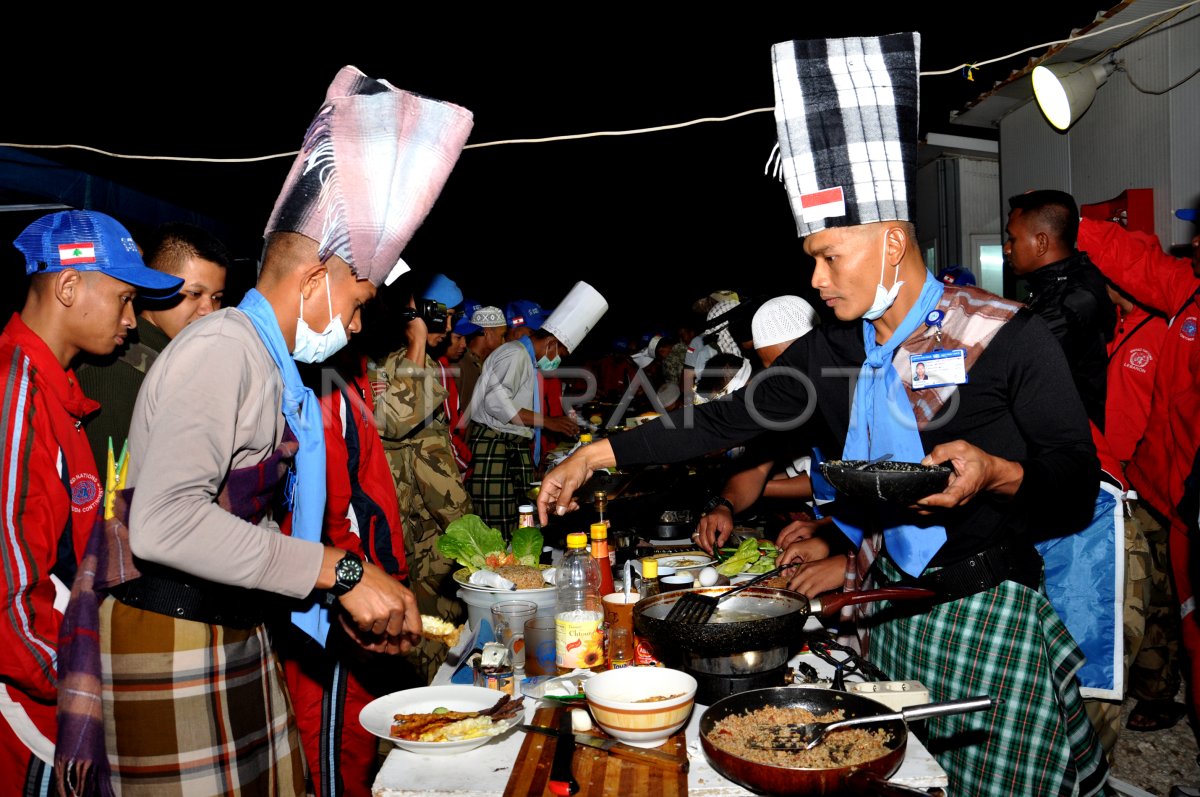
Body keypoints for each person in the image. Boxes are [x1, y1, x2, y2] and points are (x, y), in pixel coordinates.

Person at [537, 34, 1108, 796]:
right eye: (812, 256)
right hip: (890, 611)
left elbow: (1074, 484)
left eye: (830, 256)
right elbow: (719, 422)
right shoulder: (831, 354)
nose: (816, 276)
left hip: (985, 612)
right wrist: (595, 455)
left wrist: (998, 473)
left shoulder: (1005, 334)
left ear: (893, 242)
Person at [89, 66, 472, 795]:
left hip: (236, 630)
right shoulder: (221, 349)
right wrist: (341, 571)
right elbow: (163, 524)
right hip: (177, 638)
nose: (356, 326)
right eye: (357, 303)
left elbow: (254, 532)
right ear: (315, 276)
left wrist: (336, 596)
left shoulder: (275, 368)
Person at [0, 209, 181, 797]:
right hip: (29, 711)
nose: (132, 320)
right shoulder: (16, 395)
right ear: (69, 285)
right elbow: (7, 597)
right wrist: (91, 688)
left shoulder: (55, 392)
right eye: (124, 298)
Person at [1078, 205, 1200, 743]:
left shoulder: (1165, 322)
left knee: (1158, 604)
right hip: (1161, 492)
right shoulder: (1154, 314)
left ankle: (1155, 691)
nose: (1192, 245)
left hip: (1156, 492)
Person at [373, 282, 474, 683]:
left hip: (410, 525)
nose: (447, 328)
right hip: (403, 526)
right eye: (440, 316)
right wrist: (467, 530)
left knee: (424, 630)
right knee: (423, 632)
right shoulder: (403, 362)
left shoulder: (404, 363)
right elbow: (395, 426)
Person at [77, 222, 229, 470]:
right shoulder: (115, 370)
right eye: (194, 294)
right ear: (156, 286)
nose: (209, 310)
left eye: (216, 298)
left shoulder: (178, 360)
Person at [468, 283, 606, 532]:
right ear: (551, 343)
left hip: (510, 447)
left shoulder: (526, 359)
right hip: (495, 448)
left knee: (521, 525)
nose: (558, 361)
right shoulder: (515, 354)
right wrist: (549, 421)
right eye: (560, 355)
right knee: (501, 529)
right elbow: (497, 403)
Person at [1005, 189, 1114, 430]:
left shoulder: (1071, 298)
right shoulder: (1058, 284)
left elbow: (1016, 365)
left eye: (1012, 239)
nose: (1007, 249)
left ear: (1041, 242)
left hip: (1071, 437)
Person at [457, 304, 507, 413]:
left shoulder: (484, 364)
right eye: (502, 335)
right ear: (487, 333)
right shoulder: (463, 364)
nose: (504, 342)